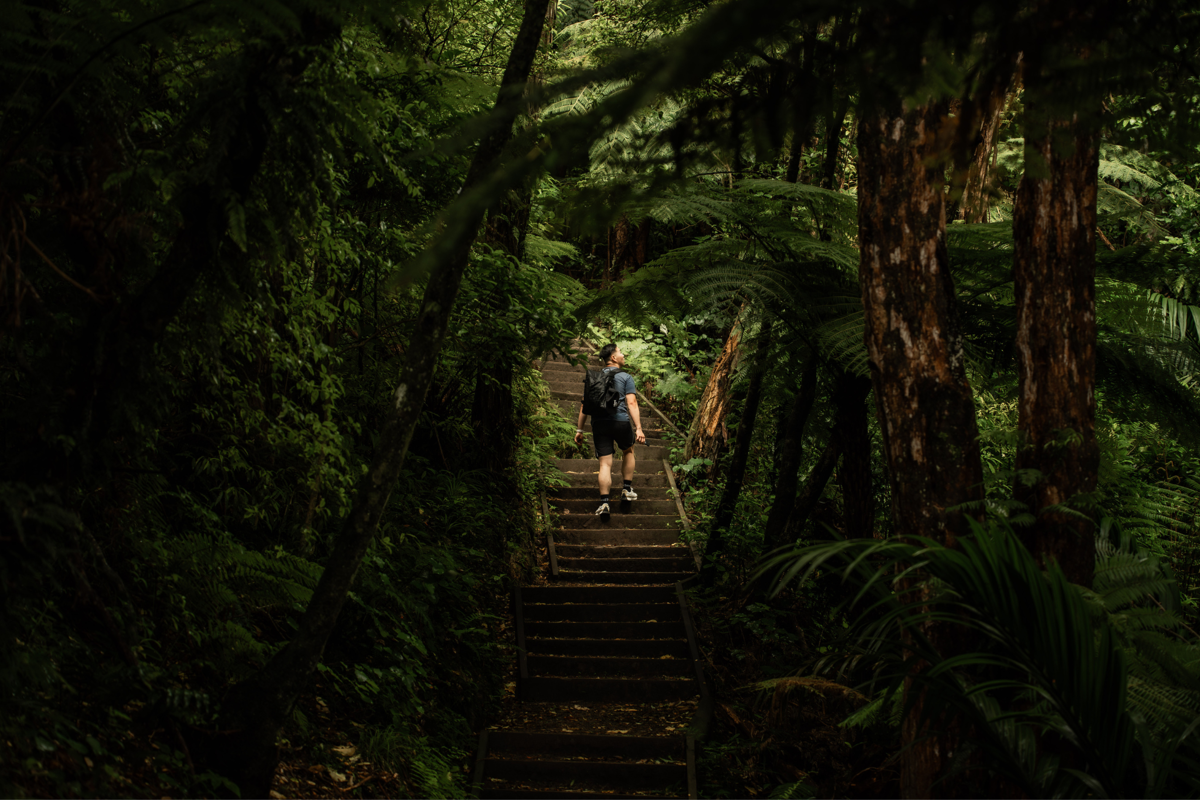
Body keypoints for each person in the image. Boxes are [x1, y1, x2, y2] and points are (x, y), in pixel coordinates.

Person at [574, 343, 647, 521]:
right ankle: (627, 489)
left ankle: (605, 502)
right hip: (621, 421)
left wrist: (580, 429)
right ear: (613, 358)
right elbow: (632, 403)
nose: (624, 355)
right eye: (620, 352)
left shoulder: (595, 377)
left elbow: (585, 405)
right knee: (628, 450)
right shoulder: (626, 377)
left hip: (599, 424)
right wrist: (638, 428)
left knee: (604, 464)